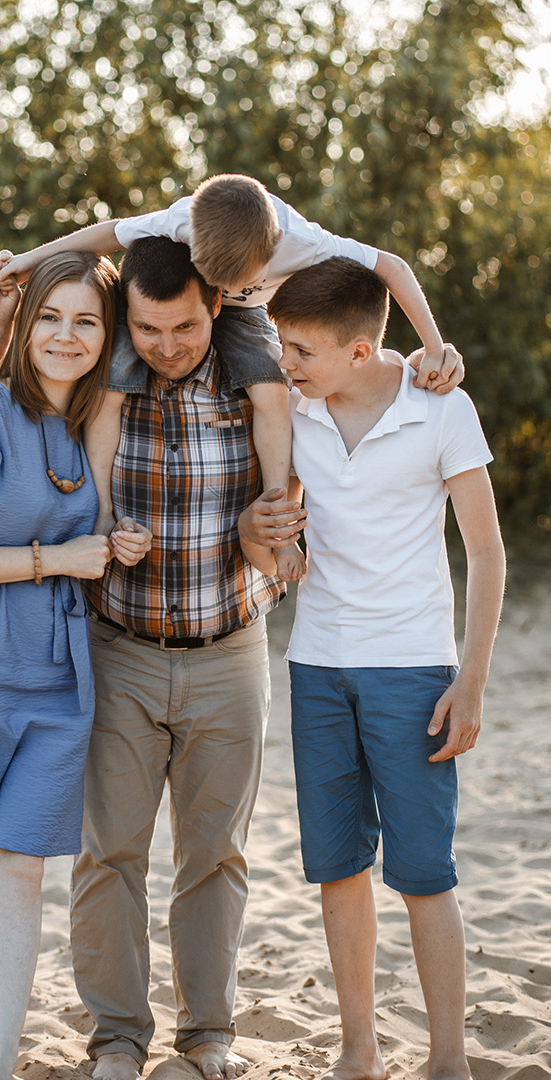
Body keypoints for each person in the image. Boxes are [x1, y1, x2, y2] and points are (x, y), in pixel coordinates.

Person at [0, 238, 464, 1080]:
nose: (167, 344)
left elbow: (311, 481)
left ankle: (207, 1038)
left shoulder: (271, 382)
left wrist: (428, 359)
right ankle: (117, 1039)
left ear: (218, 306)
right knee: (110, 853)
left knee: (214, 856)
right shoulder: (96, 384)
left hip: (232, 650)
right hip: (117, 646)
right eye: (150, 329)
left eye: (185, 326)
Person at [238, 257, 506, 1080]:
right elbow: (263, 539)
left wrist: (472, 681)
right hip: (317, 665)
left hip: (415, 670)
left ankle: (449, 1059)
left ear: (359, 352)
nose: (284, 362)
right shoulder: (292, 412)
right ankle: (360, 1048)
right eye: (281, 345)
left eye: (301, 350)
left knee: (425, 873)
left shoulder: (441, 408)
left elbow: (488, 555)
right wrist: (263, 534)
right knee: (338, 868)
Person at [0, 251, 152, 1080]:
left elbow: (90, 538)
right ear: (24, 321)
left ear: (107, 335)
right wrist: (58, 558)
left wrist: (114, 546)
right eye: (50, 315)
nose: (66, 335)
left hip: (61, 677)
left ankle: (2, 1058)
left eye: (87, 321)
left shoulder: (93, 423)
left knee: (21, 862)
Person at [0, 174, 460, 581]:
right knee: (112, 383)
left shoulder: (305, 240)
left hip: (249, 318)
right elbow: (108, 234)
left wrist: (435, 346)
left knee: (273, 391)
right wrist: (30, 260)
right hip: (182, 307)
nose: (230, 289)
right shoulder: (179, 218)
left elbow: (392, 267)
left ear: (272, 248)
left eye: (239, 278)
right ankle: (103, 511)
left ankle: (279, 527)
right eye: (222, 279)